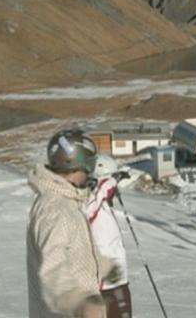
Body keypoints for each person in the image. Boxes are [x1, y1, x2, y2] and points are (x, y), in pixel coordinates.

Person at [27, 129, 115, 318]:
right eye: (90, 165)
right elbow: (52, 268)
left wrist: (105, 266)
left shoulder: (65, 202)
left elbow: (73, 251)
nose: (91, 172)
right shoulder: (56, 209)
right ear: (76, 164)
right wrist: (82, 304)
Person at [84, 155, 132, 318]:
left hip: (118, 280)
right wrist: (108, 183)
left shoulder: (103, 205)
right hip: (103, 285)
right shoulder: (90, 202)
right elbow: (88, 211)